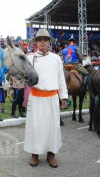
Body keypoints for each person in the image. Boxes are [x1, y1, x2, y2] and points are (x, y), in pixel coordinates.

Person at [24, 29, 68, 168]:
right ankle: (34, 154)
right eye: (39, 39)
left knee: (52, 127)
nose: (42, 42)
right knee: (35, 127)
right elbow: (24, 77)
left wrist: (64, 96)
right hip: (36, 98)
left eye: (45, 39)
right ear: (36, 42)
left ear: (49, 42)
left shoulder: (56, 58)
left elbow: (61, 79)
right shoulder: (30, 58)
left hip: (52, 98)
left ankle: (51, 155)